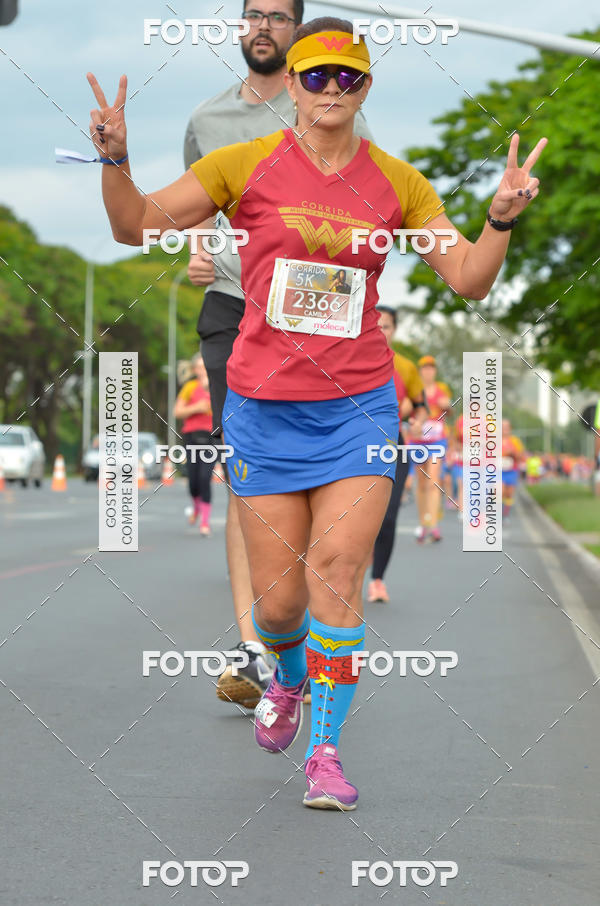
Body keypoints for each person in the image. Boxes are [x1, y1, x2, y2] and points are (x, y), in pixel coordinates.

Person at [87, 13, 546, 810]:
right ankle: (289, 678)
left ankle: (325, 753)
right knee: (278, 608)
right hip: (264, 408)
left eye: (348, 76)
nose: (331, 88)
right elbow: (133, 225)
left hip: (359, 408)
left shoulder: (399, 183)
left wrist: (500, 216)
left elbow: (469, 278)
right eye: (316, 75)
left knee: (337, 578)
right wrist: (114, 156)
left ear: (365, 86)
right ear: (292, 86)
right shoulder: (243, 163)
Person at [183, 0, 373, 709]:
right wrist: (199, 251)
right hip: (237, 313)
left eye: (277, 16)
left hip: (321, 322)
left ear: (298, 34)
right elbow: (197, 206)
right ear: (241, 27)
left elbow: (369, 203)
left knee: (323, 488)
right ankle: (253, 646)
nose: (262, 26)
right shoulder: (207, 121)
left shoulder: (332, 98)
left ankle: (300, 602)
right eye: (252, 14)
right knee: (245, 470)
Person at [367, 306, 426, 603]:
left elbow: (420, 405)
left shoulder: (405, 367)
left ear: (395, 330)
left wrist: (417, 420)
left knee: (388, 516)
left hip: (393, 445)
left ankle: (377, 580)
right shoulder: (351, 361)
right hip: (354, 446)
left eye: (387, 327)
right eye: (375, 325)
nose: (380, 332)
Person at [407, 356, 452, 543]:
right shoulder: (415, 390)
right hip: (417, 441)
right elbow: (406, 411)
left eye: (431, 368)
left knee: (433, 480)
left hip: (436, 441)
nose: (428, 371)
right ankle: (424, 523)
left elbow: (450, 411)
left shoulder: (442, 389)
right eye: (425, 368)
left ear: (435, 371)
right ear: (420, 371)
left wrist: (447, 406)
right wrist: (412, 420)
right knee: (422, 484)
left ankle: (433, 525)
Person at [173, 353, 214, 536]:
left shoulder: (217, 385)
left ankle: (205, 522)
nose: (202, 371)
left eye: (205, 367)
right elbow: (177, 411)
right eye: (199, 367)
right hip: (191, 436)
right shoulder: (190, 387)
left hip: (212, 437)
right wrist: (196, 408)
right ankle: (196, 507)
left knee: (205, 478)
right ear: (194, 370)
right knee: (193, 480)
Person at [501, 419, 525, 518]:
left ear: (510, 428)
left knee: (509, 494)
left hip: (512, 471)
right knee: (500, 490)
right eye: (502, 427)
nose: (504, 429)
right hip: (498, 471)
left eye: (507, 427)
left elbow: (521, 456)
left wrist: (513, 453)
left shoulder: (515, 441)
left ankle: (505, 515)